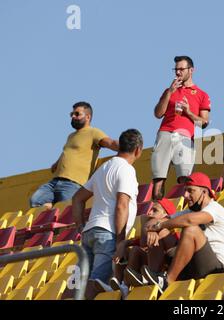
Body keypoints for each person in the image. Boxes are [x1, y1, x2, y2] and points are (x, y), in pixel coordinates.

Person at [71, 129, 143, 300]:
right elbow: (121, 205)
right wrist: (120, 241)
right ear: (138, 150)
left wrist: (81, 226)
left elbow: (77, 199)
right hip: (108, 234)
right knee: (95, 283)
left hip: (90, 232)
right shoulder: (126, 169)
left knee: (76, 284)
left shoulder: (104, 167)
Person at [142, 172, 224, 293]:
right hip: (192, 267)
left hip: (216, 269)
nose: (185, 195)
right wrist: (154, 230)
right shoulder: (189, 211)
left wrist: (159, 226)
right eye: (185, 190)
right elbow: (149, 223)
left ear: (204, 192)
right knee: (162, 233)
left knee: (190, 229)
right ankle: (153, 278)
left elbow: (190, 220)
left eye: (190, 190)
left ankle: (167, 281)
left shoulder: (215, 208)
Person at [29, 102, 119, 209]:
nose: (73, 116)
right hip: (56, 180)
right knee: (35, 200)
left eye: (77, 114)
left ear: (88, 117)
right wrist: (57, 163)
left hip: (73, 184)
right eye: (71, 114)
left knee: (66, 211)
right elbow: (68, 151)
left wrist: (127, 147)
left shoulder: (94, 132)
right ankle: (51, 209)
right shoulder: (71, 136)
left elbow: (110, 143)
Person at [152, 56, 211, 200]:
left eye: (181, 69)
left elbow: (204, 123)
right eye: (176, 69)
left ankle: (184, 210)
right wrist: (169, 92)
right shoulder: (169, 90)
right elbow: (158, 113)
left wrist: (189, 111)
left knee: (185, 178)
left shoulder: (201, 94)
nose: (177, 73)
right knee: (158, 179)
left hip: (185, 137)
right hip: (165, 133)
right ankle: (156, 211)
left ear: (191, 70)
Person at [94, 198, 177, 298]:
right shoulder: (151, 230)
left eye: (155, 210)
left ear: (165, 216)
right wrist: (124, 244)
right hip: (146, 268)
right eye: (150, 209)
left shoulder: (170, 234)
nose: (149, 213)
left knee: (136, 250)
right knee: (130, 250)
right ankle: (122, 285)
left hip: (163, 274)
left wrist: (152, 227)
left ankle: (128, 285)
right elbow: (138, 242)